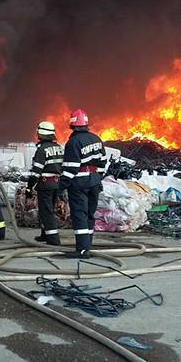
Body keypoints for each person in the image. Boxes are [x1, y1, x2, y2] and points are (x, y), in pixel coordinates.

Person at [59, 109, 107, 258]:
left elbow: (70, 168)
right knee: (90, 215)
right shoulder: (96, 139)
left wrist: (62, 186)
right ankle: (88, 245)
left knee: (79, 214)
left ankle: (82, 250)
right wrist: (97, 177)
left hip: (79, 183)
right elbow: (103, 162)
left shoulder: (73, 142)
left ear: (72, 125)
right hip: (94, 182)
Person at [26, 121, 66, 245]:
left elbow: (36, 172)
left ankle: (53, 239)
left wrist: (29, 187)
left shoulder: (42, 149)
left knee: (46, 212)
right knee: (47, 210)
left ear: (41, 134)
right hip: (56, 184)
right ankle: (45, 235)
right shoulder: (59, 147)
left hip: (45, 185)